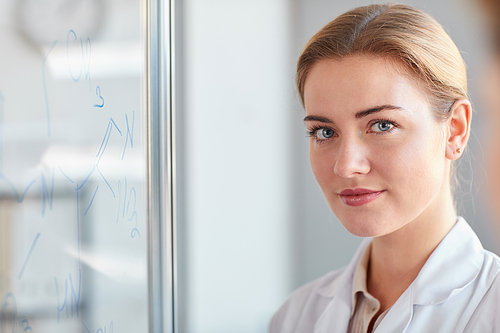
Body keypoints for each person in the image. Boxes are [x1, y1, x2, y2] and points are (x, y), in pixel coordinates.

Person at [270, 4, 500, 333]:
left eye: (381, 125)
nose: (346, 165)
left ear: (455, 130)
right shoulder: (295, 318)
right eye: (325, 132)